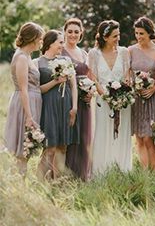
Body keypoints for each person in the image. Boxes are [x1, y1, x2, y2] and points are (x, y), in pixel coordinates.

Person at [87, 20, 132, 174]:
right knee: (103, 133)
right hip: (103, 100)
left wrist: (121, 96)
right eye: (114, 36)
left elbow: (127, 76)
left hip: (122, 101)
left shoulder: (124, 52)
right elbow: (93, 78)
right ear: (105, 38)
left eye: (118, 35)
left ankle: (122, 170)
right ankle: (101, 172)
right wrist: (106, 96)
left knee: (121, 133)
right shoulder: (94, 54)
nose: (118, 38)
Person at [35, 30, 79, 180]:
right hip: (48, 107)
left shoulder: (66, 60)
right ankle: (41, 182)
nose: (62, 45)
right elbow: (37, 90)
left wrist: (74, 107)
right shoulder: (37, 62)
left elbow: (73, 86)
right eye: (60, 42)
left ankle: (58, 183)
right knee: (50, 147)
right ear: (50, 43)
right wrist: (56, 81)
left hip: (65, 105)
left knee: (63, 146)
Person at [2, 22, 44, 177]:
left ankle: (21, 181)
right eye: (39, 39)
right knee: (23, 146)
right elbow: (23, 88)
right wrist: (28, 116)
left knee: (26, 147)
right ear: (32, 39)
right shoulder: (21, 58)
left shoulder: (27, 56)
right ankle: (19, 182)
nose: (40, 42)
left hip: (32, 102)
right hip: (24, 104)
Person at [128, 16, 155, 170]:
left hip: (152, 98)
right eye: (136, 33)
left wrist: (154, 88)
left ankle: (152, 170)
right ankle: (143, 171)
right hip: (136, 98)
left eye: (141, 33)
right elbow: (128, 74)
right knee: (139, 137)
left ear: (150, 33)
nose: (138, 37)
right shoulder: (131, 50)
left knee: (149, 137)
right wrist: (133, 86)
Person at [62, 18, 93, 181]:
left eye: (76, 31)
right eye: (70, 32)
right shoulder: (60, 52)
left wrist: (91, 91)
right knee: (69, 135)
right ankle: (65, 173)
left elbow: (90, 76)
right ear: (65, 32)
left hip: (85, 100)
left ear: (81, 33)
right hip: (68, 97)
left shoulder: (85, 53)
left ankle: (82, 174)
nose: (73, 35)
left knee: (84, 135)